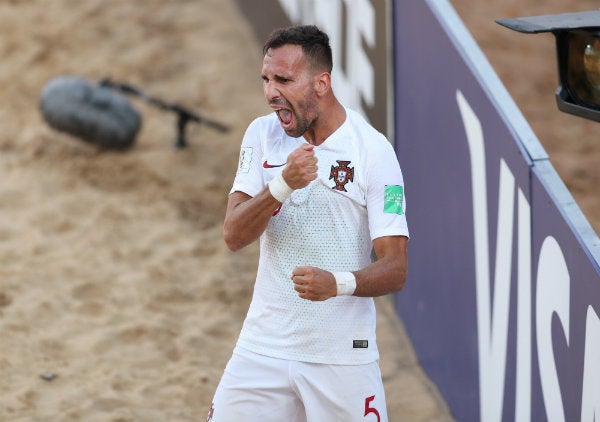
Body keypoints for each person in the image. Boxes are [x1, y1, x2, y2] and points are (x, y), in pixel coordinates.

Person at [208, 24, 409, 422]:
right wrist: (281, 186)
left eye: (283, 79)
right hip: (263, 345)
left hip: (340, 355)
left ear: (321, 83)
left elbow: (396, 268)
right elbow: (233, 235)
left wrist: (337, 284)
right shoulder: (261, 135)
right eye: (266, 79)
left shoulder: (373, 151)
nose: (270, 93)